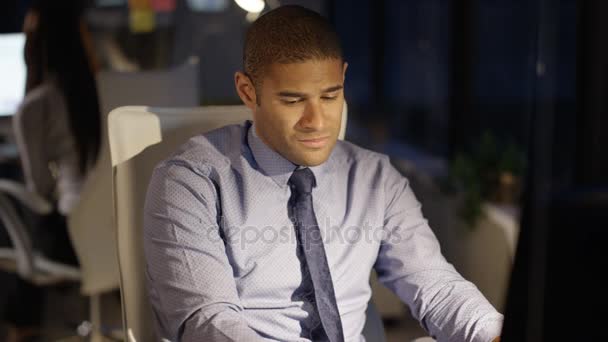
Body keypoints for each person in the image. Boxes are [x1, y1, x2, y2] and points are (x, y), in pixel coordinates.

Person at [144, 5, 502, 342]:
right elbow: (209, 322)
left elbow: (436, 286)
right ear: (248, 91)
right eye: (293, 100)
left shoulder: (373, 177)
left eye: (330, 97)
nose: (316, 122)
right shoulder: (191, 182)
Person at [0, 0, 101, 339]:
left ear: (34, 47)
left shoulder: (36, 105)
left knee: (24, 211)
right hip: (120, 227)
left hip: (79, 238)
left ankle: (22, 327)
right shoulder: (107, 91)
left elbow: (39, 187)